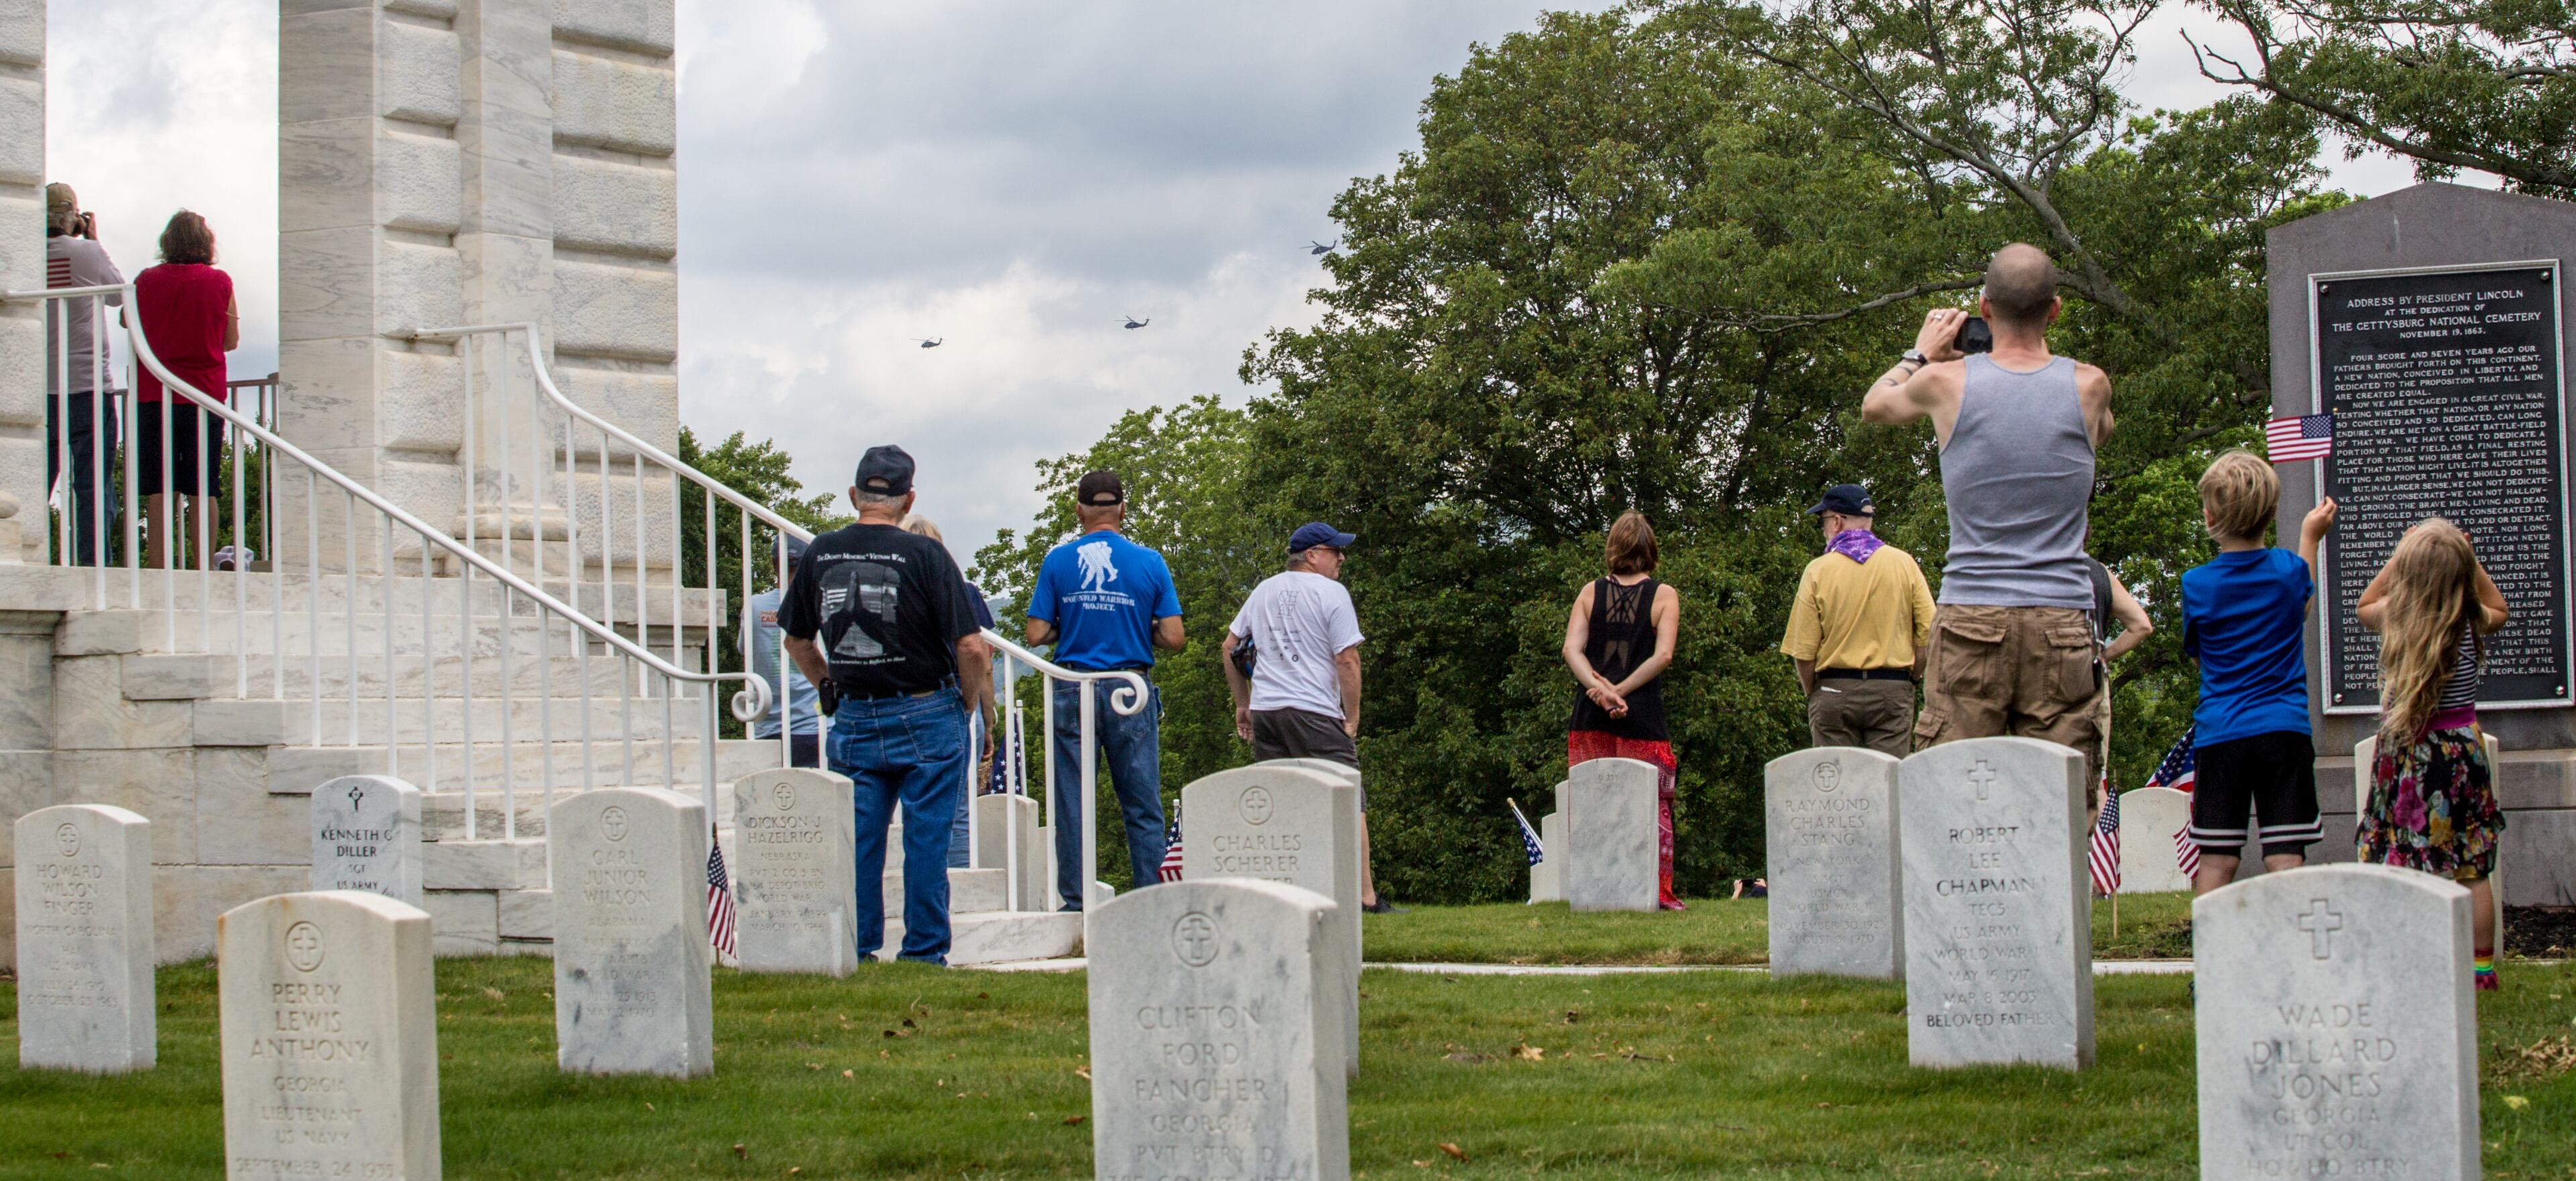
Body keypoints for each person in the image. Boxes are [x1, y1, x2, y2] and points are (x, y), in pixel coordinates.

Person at [1862, 242, 2117, 787]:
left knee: (1951, 797)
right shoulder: (2090, 386)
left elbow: (1876, 403)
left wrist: (1921, 352)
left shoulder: (1942, 383)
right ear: (2055, 311)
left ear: (1983, 309)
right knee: (2061, 804)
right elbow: (2102, 429)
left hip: (1972, 610)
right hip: (2062, 618)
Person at [780, 445, 996, 966]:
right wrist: (964, 703)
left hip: (854, 713)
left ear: (854, 495)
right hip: (926, 708)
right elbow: (972, 647)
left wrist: (828, 686)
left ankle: (855, 945)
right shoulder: (927, 556)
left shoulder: (821, 553)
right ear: (908, 500)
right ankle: (922, 951)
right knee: (926, 840)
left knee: (858, 839)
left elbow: (796, 641)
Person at [2356, 517, 2509, 991]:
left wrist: (2400, 553)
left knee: (2400, 856)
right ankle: (2481, 968)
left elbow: (2364, 603)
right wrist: (2470, 560)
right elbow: (2499, 605)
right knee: (2470, 865)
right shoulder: (2469, 617)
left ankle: (2406, 957)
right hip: (2461, 749)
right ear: (2461, 573)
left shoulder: (2394, 617)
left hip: (2404, 750)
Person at [2178, 452, 2337, 895]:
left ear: (2210, 516)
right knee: (2285, 855)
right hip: (2284, 730)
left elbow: (2199, 658)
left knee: (2217, 857)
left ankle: (2210, 962)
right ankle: (2294, 955)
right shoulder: (2289, 571)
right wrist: (2310, 537)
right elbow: (2299, 606)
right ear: (2271, 512)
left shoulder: (2196, 583)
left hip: (2221, 732)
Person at [1024, 471, 1183, 907]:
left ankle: (1076, 901)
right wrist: (1137, 625)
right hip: (1130, 688)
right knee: (1142, 801)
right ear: (1123, 510)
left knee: (1072, 800)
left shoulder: (1059, 560)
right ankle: (1151, 902)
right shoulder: (1149, 562)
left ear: (1079, 511)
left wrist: (1070, 625)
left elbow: (1035, 632)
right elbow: (1174, 636)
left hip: (1073, 686)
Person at [1222, 522, 1395, 913]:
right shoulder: (1331, 592)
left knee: (1284, 805)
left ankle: (1291, 898)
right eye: (1336, 551)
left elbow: (1229, 647)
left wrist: (1243, 704)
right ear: (1313, 555)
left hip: (1267, 710)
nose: (1342, 558)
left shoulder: (1263, 589)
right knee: (1350, 799)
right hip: (1314, 710)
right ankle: (1365, 898)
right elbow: (1347, 660)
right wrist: (1352, 717)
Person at [1562, 510, 1685, 910]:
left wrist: (1599, 690)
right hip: (1643, 711)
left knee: (1593, 804)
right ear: (1650, 548)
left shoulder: (1589, 592)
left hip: (1590, 712)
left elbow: (1571, 651)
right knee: (1653, 805)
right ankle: (1656, 891)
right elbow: (1663, 655)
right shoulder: (1664, 595)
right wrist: (1621, 692)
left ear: (1613, 547)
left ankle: (1596, 889)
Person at [1779, 484, 1936, 757]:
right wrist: (1913, 677)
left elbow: (1804, 652)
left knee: (1837, 789)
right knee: (1888, 784)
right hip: (1892, 689)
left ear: (1837, 521)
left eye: (1823, 521)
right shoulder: (1904, 564)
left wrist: (1814, 692)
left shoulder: (1818, 570)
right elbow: (1930, 635)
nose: (1823, 528)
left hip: (1834, 688)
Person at [132, 209, 238, 571]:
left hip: (153, 393)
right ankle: (202, 567)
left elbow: (129, 324)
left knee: (160, 486)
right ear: (205, 242)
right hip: (204, 395)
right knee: (203, 486)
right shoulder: (220, 281)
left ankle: (160, 567)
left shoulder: (145, 280)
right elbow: (231, 340)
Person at [902, 514, 1000, 870]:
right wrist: (985, 719)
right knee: (960, 809)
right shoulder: (965, 592)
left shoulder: (897, 593)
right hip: (961, 702)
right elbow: (983, 662)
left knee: (913, 806)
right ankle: (958, 887)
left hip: (910, 704)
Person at [44, 182, 125, 566]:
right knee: (93, 488)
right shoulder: (89, 253)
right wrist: (94, 239)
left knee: (35, 483)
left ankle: (26, 557)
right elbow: (118, 295)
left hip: (41, 389)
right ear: (74, 216)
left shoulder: (25, 254)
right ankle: (95, 569)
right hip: (89, 385)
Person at [2082, 552, 2153, 828]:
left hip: (2046, 683)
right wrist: (2102, 656)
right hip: (2093, 681)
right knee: (2095, 777)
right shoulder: (2098, 572)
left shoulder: (2033, 567)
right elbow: (2141, 625)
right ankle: (2094, 855)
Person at [741, 535, 821, 768]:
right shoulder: (818, 604)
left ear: (774, 563)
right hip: (814, 725)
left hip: (769, 723)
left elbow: (745, 651)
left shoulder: (754, 606)